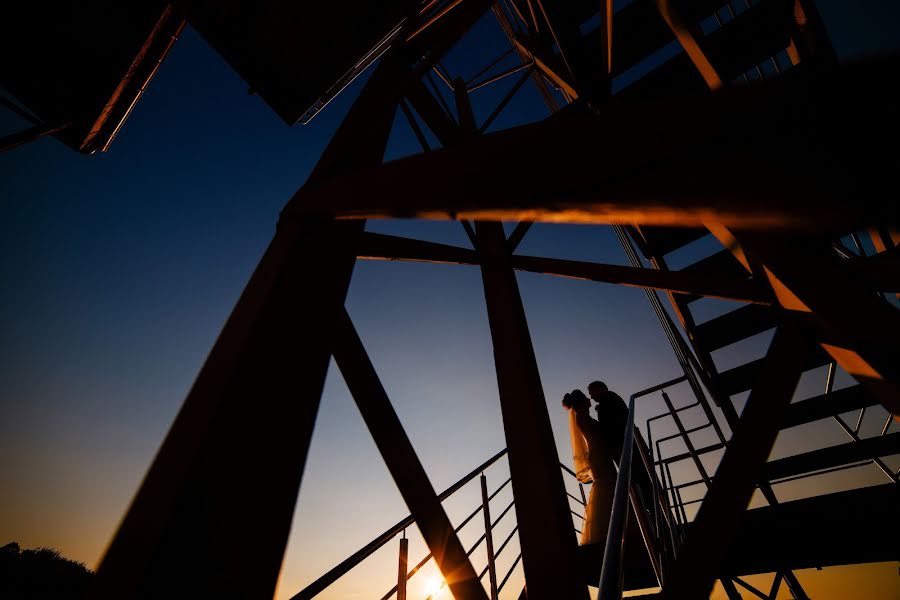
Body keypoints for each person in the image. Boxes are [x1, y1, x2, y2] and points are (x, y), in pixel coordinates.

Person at [588, 380, 655, 518]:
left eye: (592, 392)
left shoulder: (608, 400)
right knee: (639, 481)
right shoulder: (609, 400)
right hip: (626, 447)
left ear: (600, 388)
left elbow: (613, 428)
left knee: (638, 480)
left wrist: (613, 448)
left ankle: (652, 512)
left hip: (625, 448)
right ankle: (651, 511)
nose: (591, 397)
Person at [562, 389, 618, 546]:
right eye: (586, 397)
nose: (589, 399)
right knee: (606, 485)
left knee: (609, 485)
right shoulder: (582, 417)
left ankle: (609, 528)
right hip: (598, 455)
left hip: (600, 454)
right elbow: (596, 435)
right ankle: (604, 531)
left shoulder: (584, 416)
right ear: (581, 402)